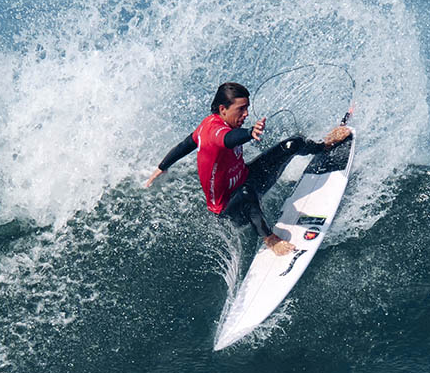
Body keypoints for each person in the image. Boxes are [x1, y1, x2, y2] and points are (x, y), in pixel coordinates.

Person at [146, 82, 351, 255]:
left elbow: (186, 144)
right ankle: (269, 238)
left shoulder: (205, 126)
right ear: (222, 109)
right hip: (229, 209)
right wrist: (249, 132)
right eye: (240, 109)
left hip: (248, 178)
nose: (245, 114)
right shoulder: (215, 132)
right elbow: (228, 139)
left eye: (247, 108)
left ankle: (324, 146)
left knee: (293, 144)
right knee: (245, 193)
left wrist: (162, 167)